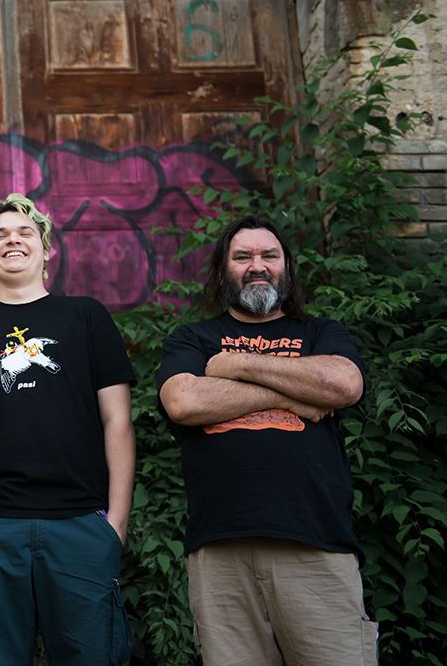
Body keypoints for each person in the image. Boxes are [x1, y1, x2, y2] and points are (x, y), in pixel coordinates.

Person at [0, 193, 136, 666]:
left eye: (25, 232)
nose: (13, 240)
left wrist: (116, 524)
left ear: (47, 249)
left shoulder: (86, 316)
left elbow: (117, 420)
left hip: (80, 523)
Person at [157, 213, 377, 666]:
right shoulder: (193, 338)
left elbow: (344, 385)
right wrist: (293, 396)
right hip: (221, 551)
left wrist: (237, 364)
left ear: (286, 267)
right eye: (243, 257)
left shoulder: (320, 332)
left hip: (315, 543)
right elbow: (184, 401)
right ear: (222, 271)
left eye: (269, 255)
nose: (257, 265)